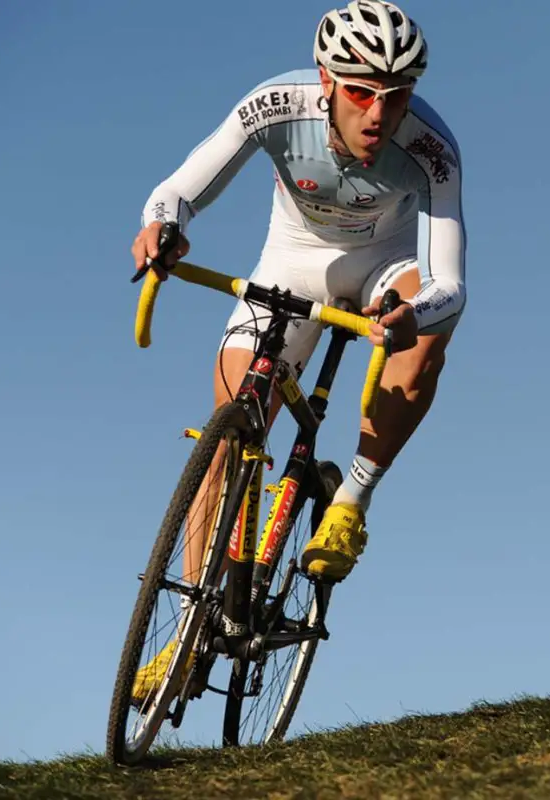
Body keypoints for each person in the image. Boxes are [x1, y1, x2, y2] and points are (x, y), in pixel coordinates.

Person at [129, 1, 466, 700]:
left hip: (385, 263)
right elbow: (180, 188)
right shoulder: (275, 106)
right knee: (226, 436)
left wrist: (411, 315)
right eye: (360, 92)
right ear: (325, 79)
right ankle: (192, 627)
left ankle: (352, 500)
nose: (379, 113)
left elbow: (451, 284)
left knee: (431, 332)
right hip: (290, 260)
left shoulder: (432, 150)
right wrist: (163, 227)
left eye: (396, 95)